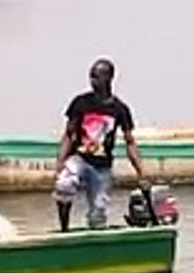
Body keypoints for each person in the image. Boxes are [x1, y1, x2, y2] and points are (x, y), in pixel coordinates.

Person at [53, 58, 148, 231]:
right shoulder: (80, 102)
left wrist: (141, 172)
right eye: (91, 77)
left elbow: (130, 142)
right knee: (65, 184)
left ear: (109, 78)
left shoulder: (119, 109)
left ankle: (95, 239)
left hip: (102, 167)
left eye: (97, 77)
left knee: (99, 211)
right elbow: (68, 133)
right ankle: (64, 229)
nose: (93, 81)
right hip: (80, 158)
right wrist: (60, 161)